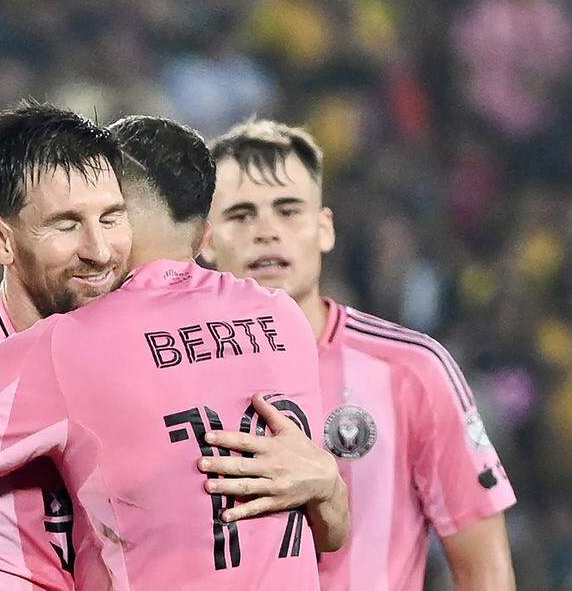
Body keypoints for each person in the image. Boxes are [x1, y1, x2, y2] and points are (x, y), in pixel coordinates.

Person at [0, 111, 349, 591]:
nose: (98, 250)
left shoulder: (85, 348)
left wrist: (327, 485)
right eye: (67, 223)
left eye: (111, 217)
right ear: (0, 238)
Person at [201, 118, 517, 591]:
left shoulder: (412, 370)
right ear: (205, 241)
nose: (266, 231)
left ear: (324, 229)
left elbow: (484, 570)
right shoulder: (172, 373)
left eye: (288, 210)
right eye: (241, 215)